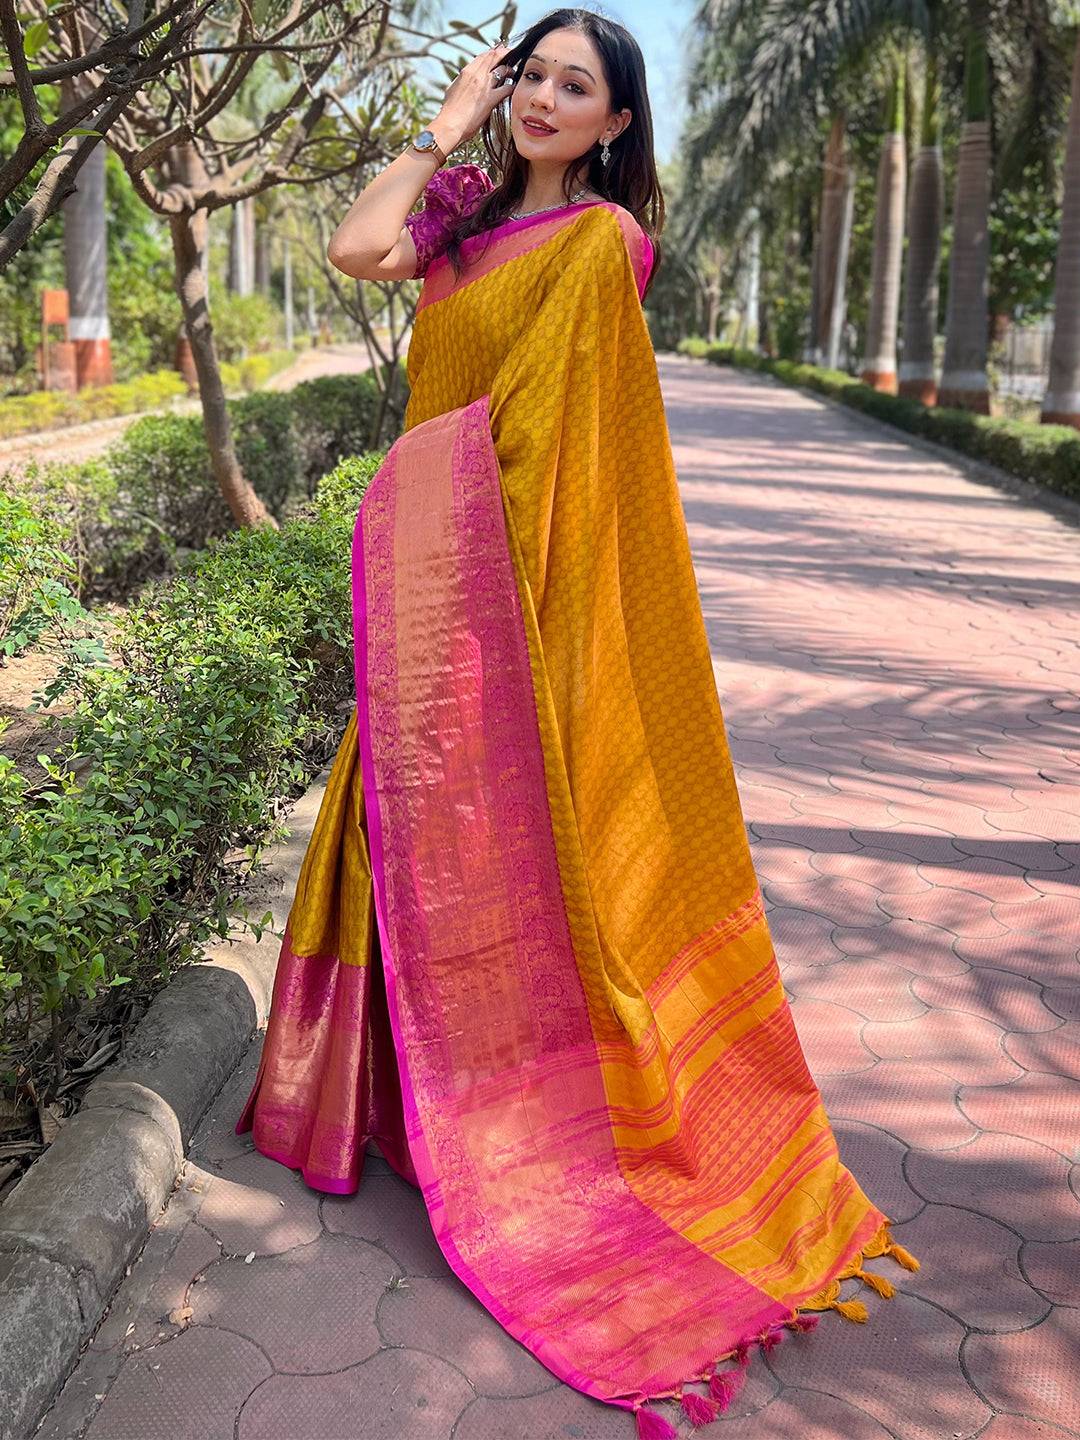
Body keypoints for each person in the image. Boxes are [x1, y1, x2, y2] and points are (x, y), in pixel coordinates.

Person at [236, 10, 919, 1436]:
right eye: (529, 75)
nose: (542, 99)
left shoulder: (602, 248)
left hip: (501, 600)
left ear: (615, 121)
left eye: (572, 86)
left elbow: (561, 460)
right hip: (429, 586)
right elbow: (357, 251)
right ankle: (382, 1108)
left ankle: (518, 1135)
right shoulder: (459, 217)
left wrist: (475, 586)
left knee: (491, 861)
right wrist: (443, 127)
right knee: (384, 834)